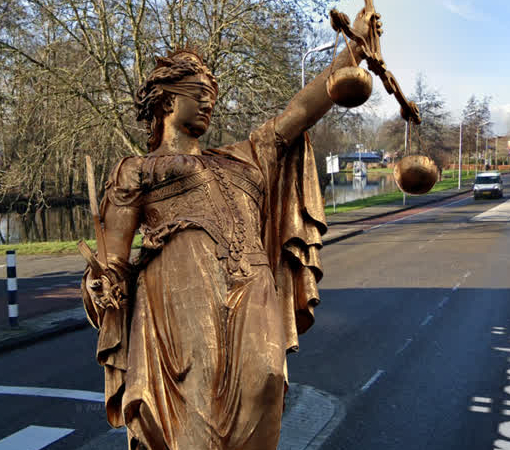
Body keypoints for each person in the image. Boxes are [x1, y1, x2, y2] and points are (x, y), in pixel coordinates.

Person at [81, 8, 380, 450]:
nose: (209, 103)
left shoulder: (243, 157)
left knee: (267, 378)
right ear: (168, 101)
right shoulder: (137, 169)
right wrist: (105, 282)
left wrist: (354, 48)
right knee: (197, 405)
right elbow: (114, 258)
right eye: (199, 94)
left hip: (252, 286)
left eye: (212, 96)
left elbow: (300, 111)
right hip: (181, 293)